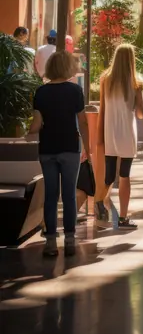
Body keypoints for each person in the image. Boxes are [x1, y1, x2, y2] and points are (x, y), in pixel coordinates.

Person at [28, 51, 90, 257]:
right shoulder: (75, 91)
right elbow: (82, 121)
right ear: (67, 68)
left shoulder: (41, 92)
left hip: (47, 148)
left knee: (51, 195)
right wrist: (87, 147)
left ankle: (51, 242)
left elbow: (36, 124)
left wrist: (28, 131)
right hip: (70, 147)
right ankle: (70, 240)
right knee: (69, 195)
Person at [95, 44, 143, 228]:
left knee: (109, 175)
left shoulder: (105, 80)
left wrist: (99, 136)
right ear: (132, 60)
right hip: (127, 133)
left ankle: (100, 202)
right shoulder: (136, 83)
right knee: (124, 174)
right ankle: (123, 217)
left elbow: (102, 108)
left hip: (110, 132)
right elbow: (141, 114)